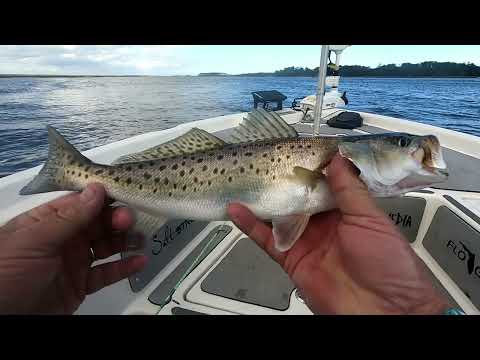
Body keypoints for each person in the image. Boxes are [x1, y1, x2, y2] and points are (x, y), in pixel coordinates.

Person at [0, 153, 454, 315]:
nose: (409, 151)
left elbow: (290, 218)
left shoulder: (327, 186)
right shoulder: (327, 164)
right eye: (396, 143)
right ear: (349, 158)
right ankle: (73, 171)